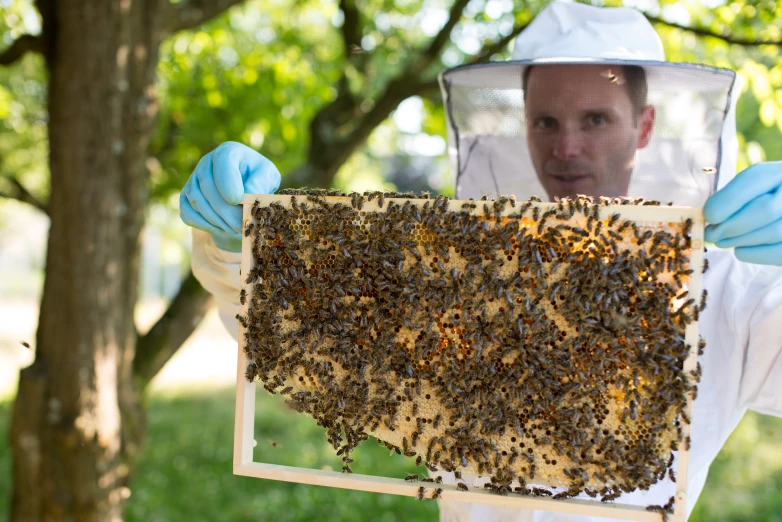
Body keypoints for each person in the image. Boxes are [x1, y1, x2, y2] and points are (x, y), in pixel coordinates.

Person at [179, 2, 782, 521]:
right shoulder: (463, 272)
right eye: (545, 121)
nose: (566, 147)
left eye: (595, 119)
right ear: (522, 127)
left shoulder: (721, 282)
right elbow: (303, 332)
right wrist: (242, 245)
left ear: (644, 125)